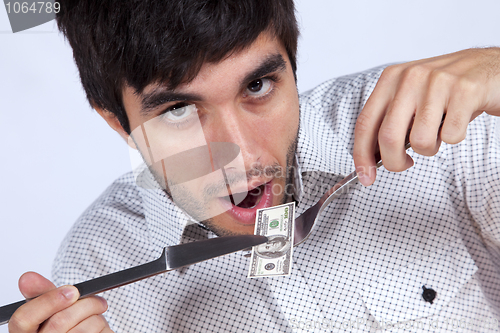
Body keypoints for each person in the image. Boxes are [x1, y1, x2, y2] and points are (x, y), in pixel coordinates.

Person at [8, 0, 500, 332]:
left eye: (258, 86)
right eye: (179, 111)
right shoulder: (97, 269)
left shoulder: (440, 125)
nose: (244, 159)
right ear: (119, 123)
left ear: (291, 62)